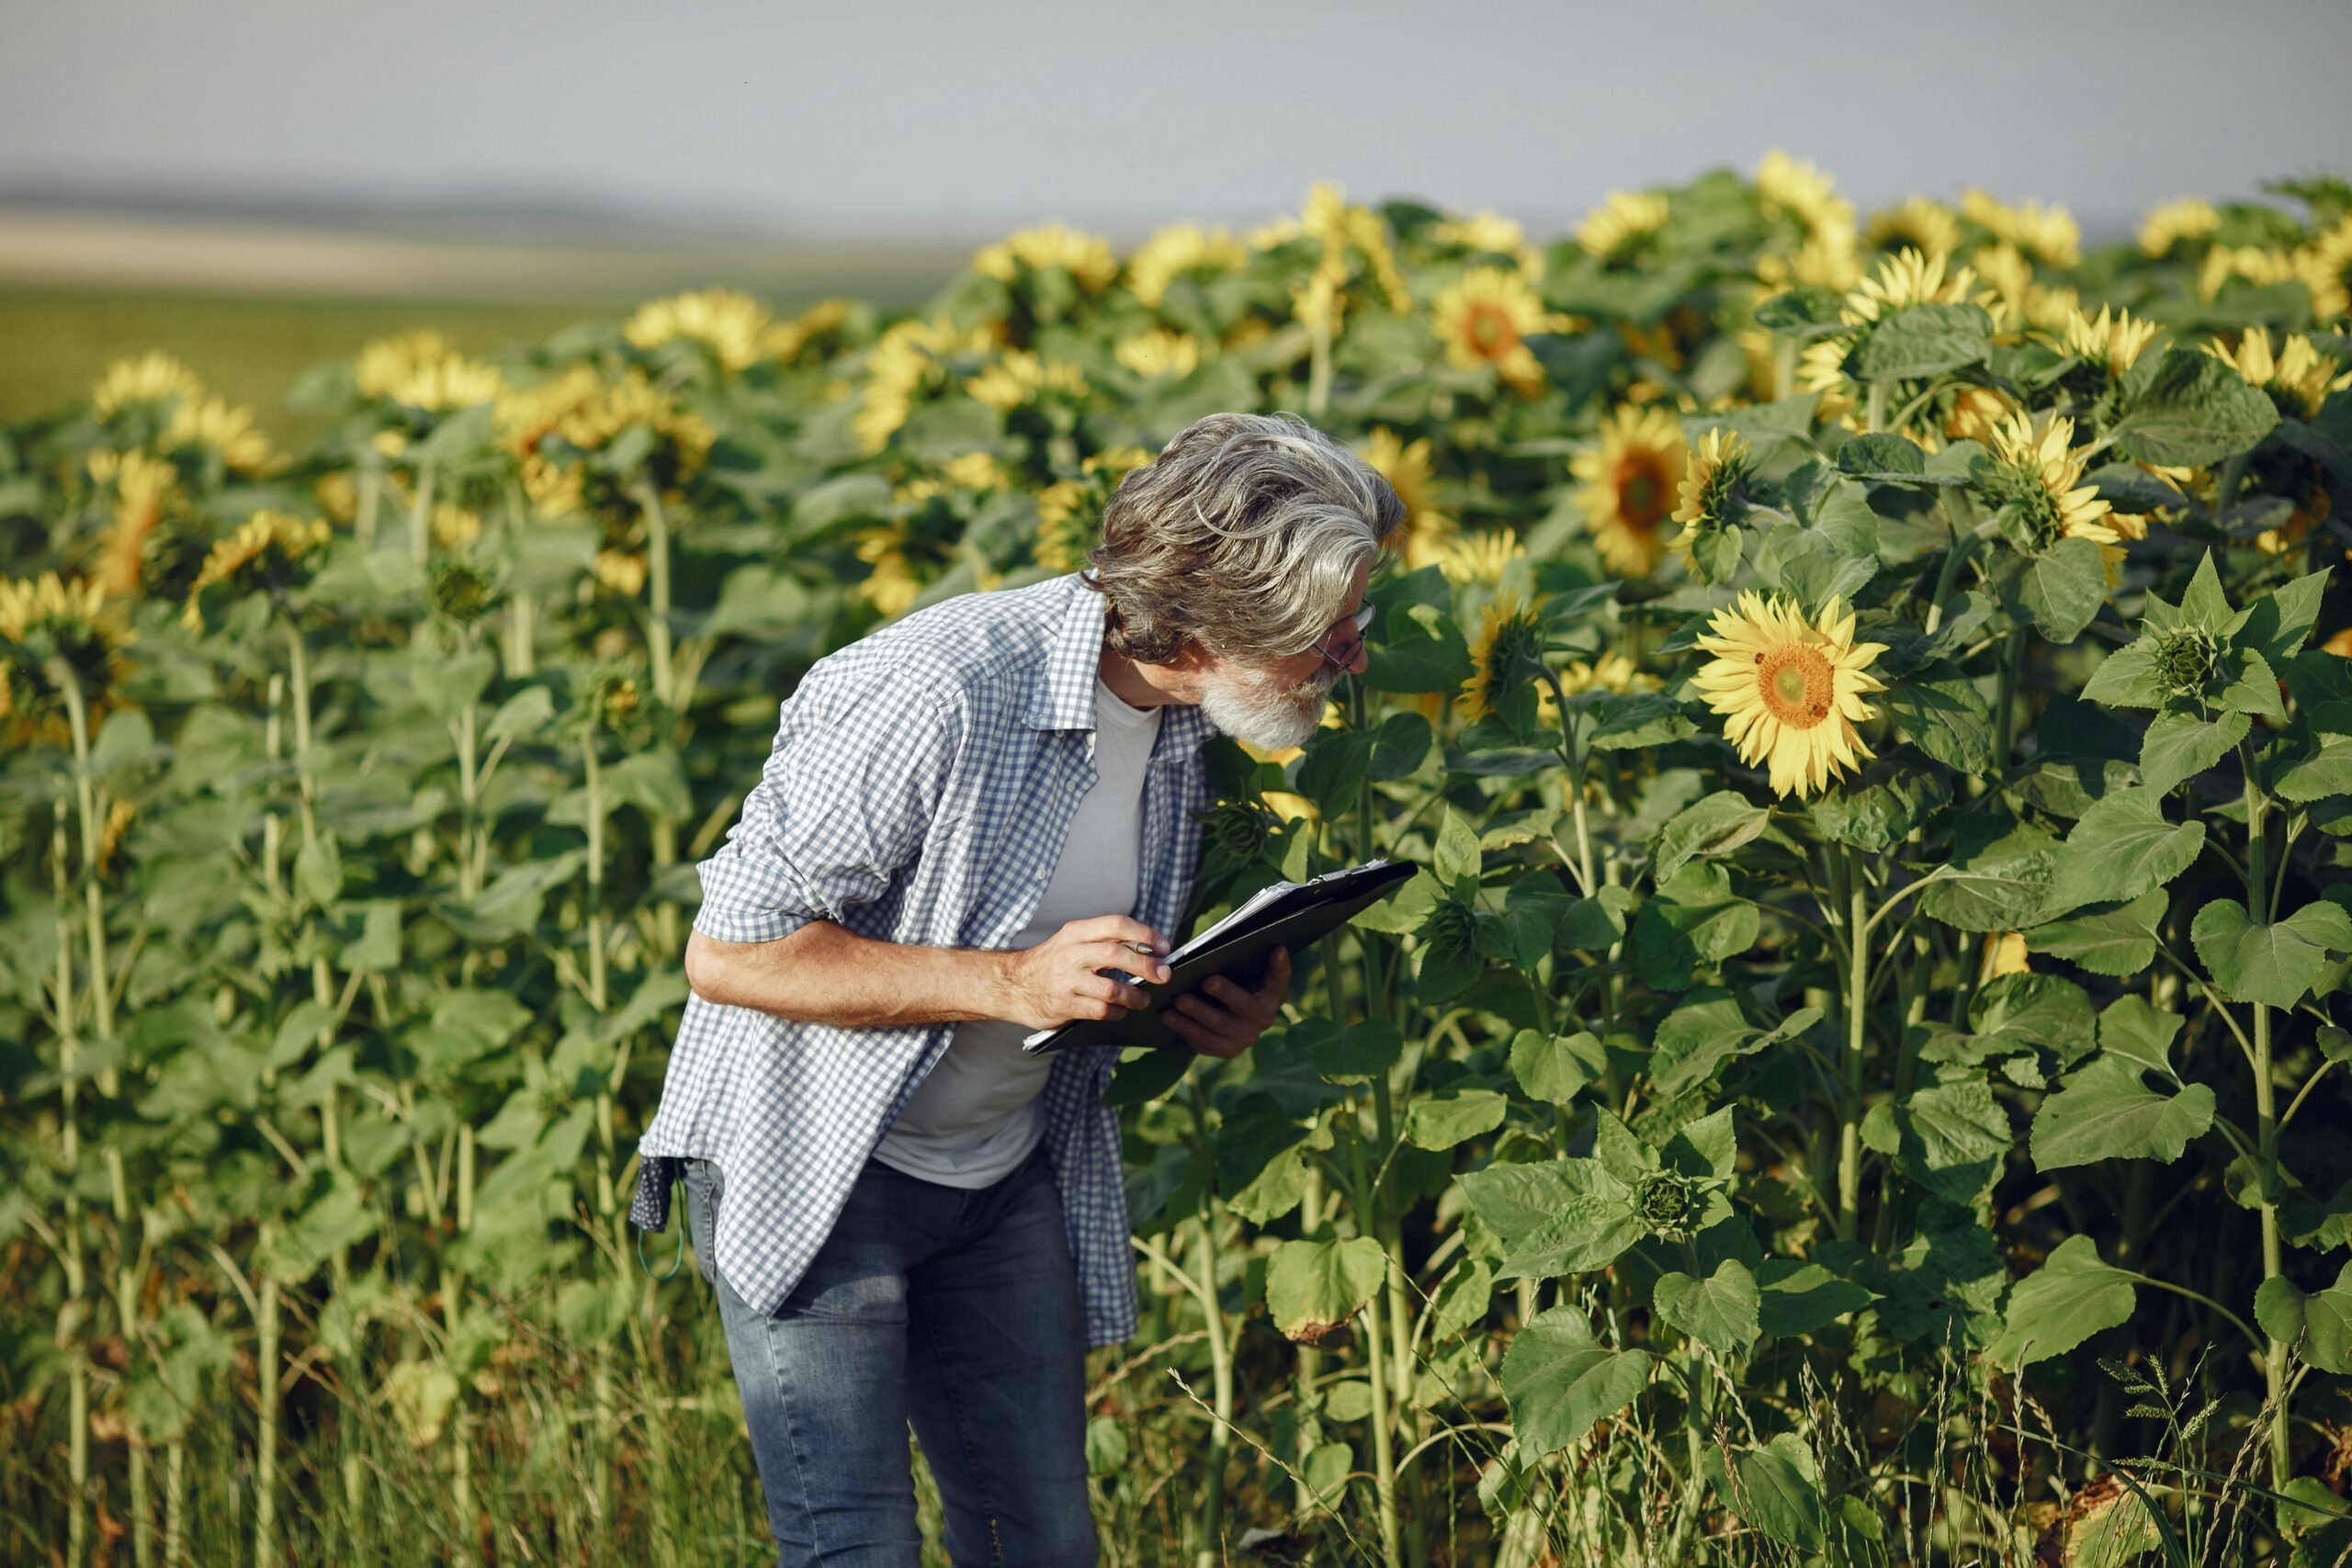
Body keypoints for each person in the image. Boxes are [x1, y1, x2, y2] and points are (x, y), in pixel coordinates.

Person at [628, 409, 1404, 1566]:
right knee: (856, 1546)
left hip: (999, 1169)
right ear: (1213, 623)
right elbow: (732, 952)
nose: (1351, 659)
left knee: (1033, 1539)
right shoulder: (936, 689)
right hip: (816, 1165)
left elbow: (1057, 980)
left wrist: (1187, 1013)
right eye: (1330, 636)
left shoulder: (1181, 718)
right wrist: (1011, 983)